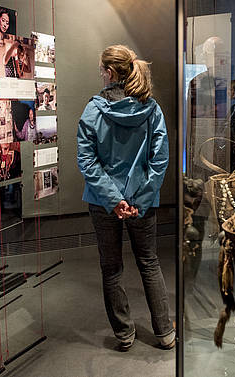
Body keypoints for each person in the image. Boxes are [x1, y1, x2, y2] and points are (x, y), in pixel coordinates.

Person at [77, 44, 174, 351]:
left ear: (108, 72)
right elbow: (160, 161)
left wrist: (113, 199)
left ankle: (124, 333)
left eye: (100, 70)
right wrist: (139, 199)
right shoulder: (151, 108)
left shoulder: (93, 110)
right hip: (141, 203)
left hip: (104, 203)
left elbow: (86, 160)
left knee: (111, 268)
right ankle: (165, 332)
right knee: (149, 262)